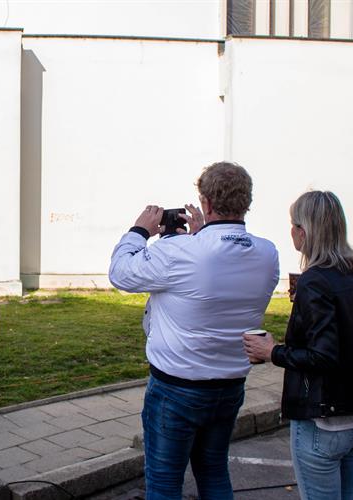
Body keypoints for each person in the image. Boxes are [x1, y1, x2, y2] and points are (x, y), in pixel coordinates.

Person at [109, 162, 279, 499]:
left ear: (206, 203)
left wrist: (139, 231)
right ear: (246, 201)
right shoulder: (267, 253)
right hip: (230, 385)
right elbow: (217, 263)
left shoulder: (179, 251)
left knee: (164, 483)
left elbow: (120, 273)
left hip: (176, 388)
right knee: (214, 473)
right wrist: (201, 236)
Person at [244, 190, 353, 500]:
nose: (291, 231)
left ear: (303, 232)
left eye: (293, 225)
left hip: (326, 420)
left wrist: (272, 352)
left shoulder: (315, 280)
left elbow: (323, 355)